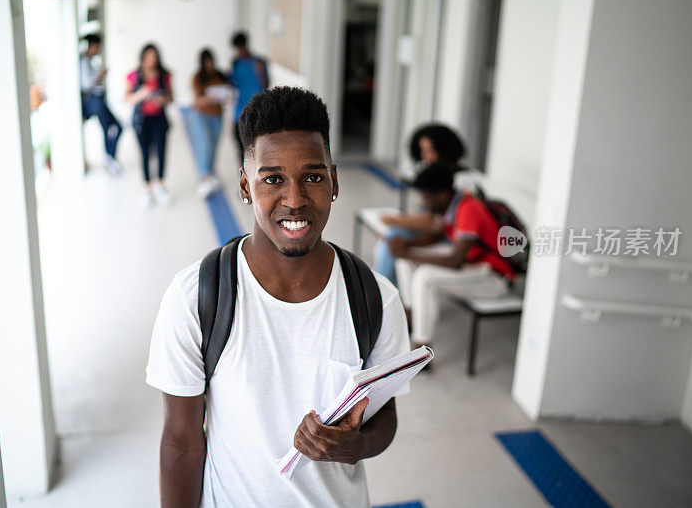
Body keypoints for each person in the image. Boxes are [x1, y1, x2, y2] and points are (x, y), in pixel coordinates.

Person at [146, 86, 410, 507]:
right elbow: (181, 443)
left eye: (313, 176)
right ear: (245, 185)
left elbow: (385, 419)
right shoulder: (196, 298)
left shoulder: (375, 298)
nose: (295, 199)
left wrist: (351, 446)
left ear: (334, 181)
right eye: (273, 179)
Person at [390, 162, 515, 348]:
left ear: (441, 195)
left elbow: (455, 260)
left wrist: (408, 252)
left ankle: (421, 348)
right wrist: (406, 246)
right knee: (404, 260)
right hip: (472, 263)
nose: (423, 202)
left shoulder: (468, 209)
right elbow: (437, 235)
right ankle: (411, 316)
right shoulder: (451, 204)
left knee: (424, 276)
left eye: (425, 197)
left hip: (493, 278)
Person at [373, 124, 466, 283]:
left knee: (392, 237)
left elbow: (434, 223)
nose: (424, 156)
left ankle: (383, 295)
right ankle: (387, 294)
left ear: (444, 149)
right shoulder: (435, 174)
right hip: (439, 233)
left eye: (429, 150)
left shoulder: (461, 180)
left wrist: (397, 221)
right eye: (422, 151)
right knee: (391, 238)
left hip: (450, 239)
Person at [125, 44, 173, 208]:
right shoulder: (134, 76)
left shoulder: (164, 75)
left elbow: (171, 97)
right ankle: (147, 188)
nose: (152, 60)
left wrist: (162, 99)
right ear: (143, 58)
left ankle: (160, 185)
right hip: (141, 120)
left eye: (154, 57)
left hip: (159, 119)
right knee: (144, 153)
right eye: (148, 57)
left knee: (161, 151)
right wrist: (141, 94)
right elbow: (127, 98)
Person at [182, 49, 227, 198]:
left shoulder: (220, 75)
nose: (209, 64)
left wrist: (224, 97)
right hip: (201, 115)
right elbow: (197, 100)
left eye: (211, 61)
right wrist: (212, 97)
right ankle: (204, 177)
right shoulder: (198, 78)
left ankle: (211, 173)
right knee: (205, 144)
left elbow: (227, 95)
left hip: (217, 116)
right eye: (206, 61)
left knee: (214, 145)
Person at [80, 33, 123, 176]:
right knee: (113, 127)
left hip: (99, 99)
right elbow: (86, 84)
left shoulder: (90, 61)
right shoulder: (84, 61)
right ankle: (109, 159)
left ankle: (110, 158)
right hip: (95, 101)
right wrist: (99, 74)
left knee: (111, 128)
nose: (98, 49)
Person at [229, 31, 269, 165]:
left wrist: (261, 73)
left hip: (255, 113)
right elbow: (232, 83)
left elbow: (265, 86)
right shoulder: (235, 63)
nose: (238, 51)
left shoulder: (258, 63)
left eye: (239, 48)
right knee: (240, 151)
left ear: (245, 46)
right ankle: (244, 183)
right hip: (238, 113)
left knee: (256, 150)